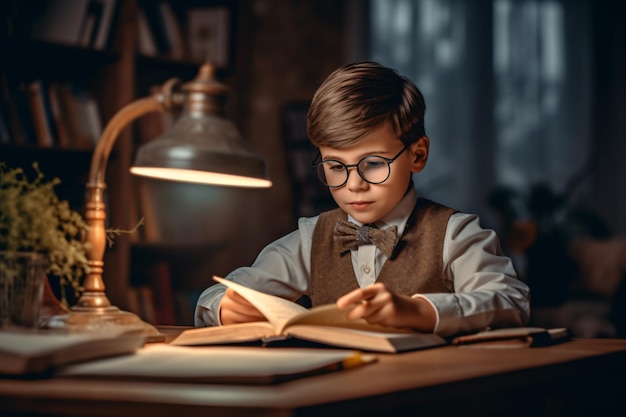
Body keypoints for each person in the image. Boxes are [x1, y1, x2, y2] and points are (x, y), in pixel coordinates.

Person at [195, 61, 530, 337]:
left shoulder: (456, 235)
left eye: (373, 164)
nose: (354, 184)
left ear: (417, 155)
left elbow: (511, 302)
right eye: (335, 167)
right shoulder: (311, 238)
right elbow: (217, 294)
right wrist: (227, 306)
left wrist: (421, 310)